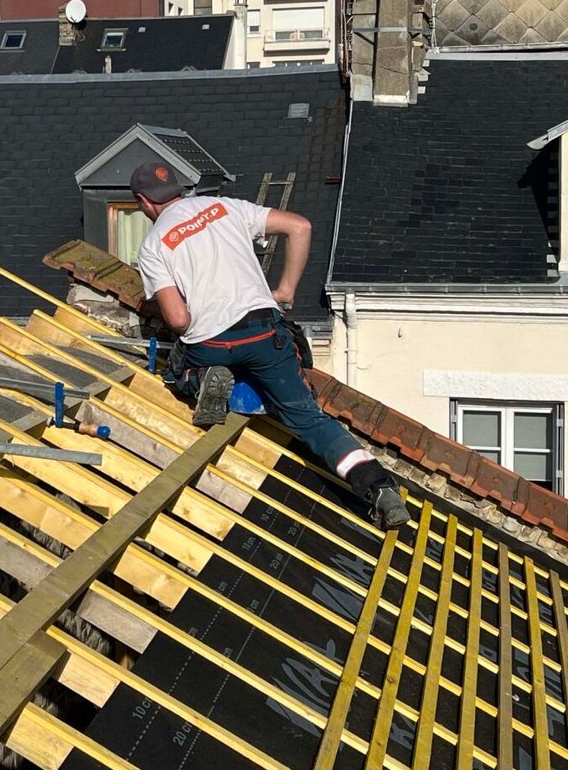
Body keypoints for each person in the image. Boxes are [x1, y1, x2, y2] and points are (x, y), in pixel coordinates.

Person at [129, 157, 410, 530]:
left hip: (211, 343)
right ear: (179, 188)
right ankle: (378, 487)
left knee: (179, 368)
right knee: (310, 420)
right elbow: (299, 226)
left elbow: (178, 319)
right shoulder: (224, 206)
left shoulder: (153, 246)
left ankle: (203, 381)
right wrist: (286, 289)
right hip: (263, 332)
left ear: (144, 202)